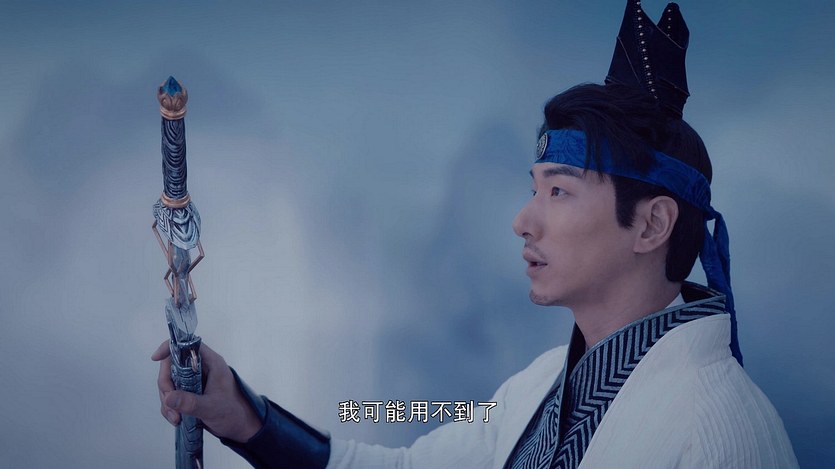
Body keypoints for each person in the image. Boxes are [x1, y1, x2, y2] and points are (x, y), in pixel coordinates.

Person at [153, 1, 798, 467]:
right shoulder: (537, 388)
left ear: (652, 224)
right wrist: (243, 414)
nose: (523, 219)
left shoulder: (719, 431)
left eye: (559, 191)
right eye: (534, 188)